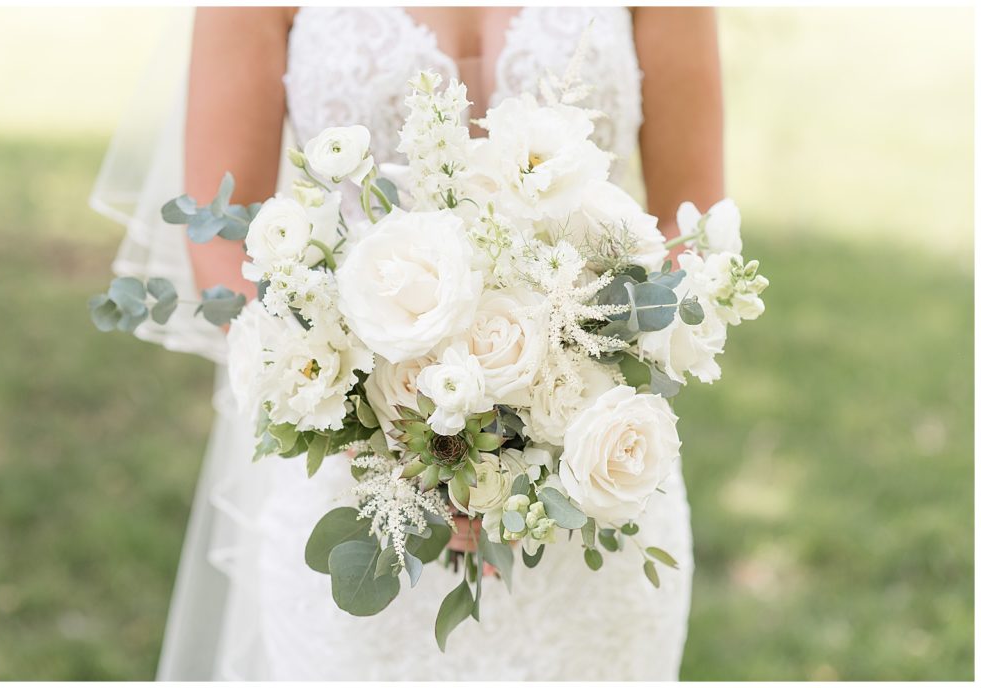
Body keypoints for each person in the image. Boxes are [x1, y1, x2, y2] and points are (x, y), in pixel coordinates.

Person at [97, 6, 723, 680]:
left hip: (594, 466)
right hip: (355, 479)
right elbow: (224, 237)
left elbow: (690, 223)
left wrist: (555, 420)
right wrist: (384, 435)